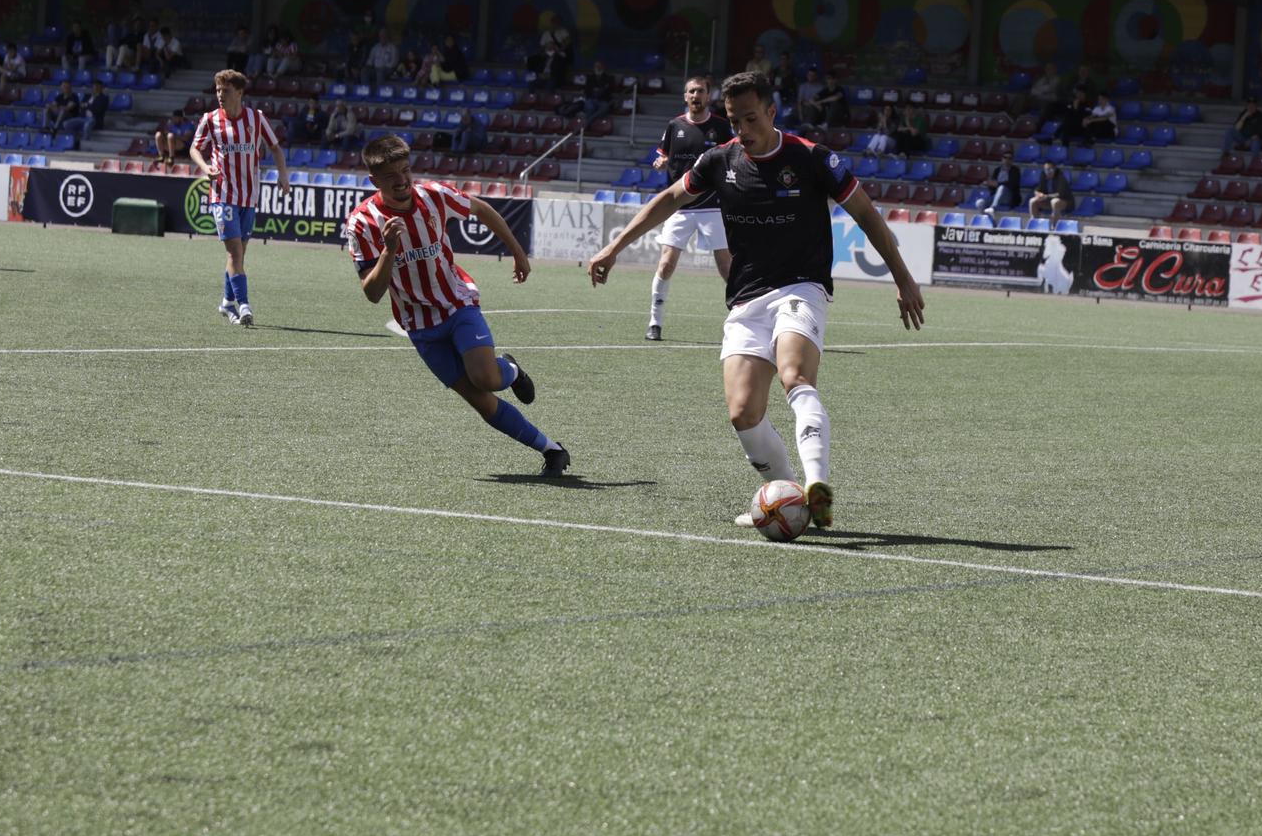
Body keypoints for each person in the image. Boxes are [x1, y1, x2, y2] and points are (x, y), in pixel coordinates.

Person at [589, 71, 926, 532]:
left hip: (801, 286)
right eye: (733, 121)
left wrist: (903, 278)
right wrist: (614, 247)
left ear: (771, 112)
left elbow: (866, 213)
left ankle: (817, 485)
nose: (741, 130)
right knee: (743, 411)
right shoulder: (718, 160)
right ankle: (789, 500)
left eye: (750, 119)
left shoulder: (812, 159)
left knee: (795, 375)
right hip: (746, 297)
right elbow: (669, 198)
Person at [345, 133, 570, 478]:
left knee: (487, 378)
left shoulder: (434, 196)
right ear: (374, 180)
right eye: (392, 177)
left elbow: (482, 208)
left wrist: (517, 251)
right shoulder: (362, 223)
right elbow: (372, 293)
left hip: (457, 304)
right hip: (420, 327)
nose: (403, 180)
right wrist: (389, 250)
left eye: (406, 171)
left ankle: (510, 370)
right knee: (479, 401)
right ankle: (551, 449)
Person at [188, 69, 293, 327]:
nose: (220, 95)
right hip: (222, 195)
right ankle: (244, 305)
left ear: (239, 92)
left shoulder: (256, 119)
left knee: (239, 255)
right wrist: (205, 167)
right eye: (217, 90)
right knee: (235, 252)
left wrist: (283, 175)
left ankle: (226, 302)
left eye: (225, 90)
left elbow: (275, 148)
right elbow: (194, 148)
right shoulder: (210, 120)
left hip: (249, 197)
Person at [645, 75, 734, 341]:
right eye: (691, 91)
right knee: (666, 263)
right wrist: (661, 162)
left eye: (701, 91)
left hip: (713, 207)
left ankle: (742, 320)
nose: (696, 95)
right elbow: (663, 154)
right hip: (680, 208)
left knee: (727, 268)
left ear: (709, 96)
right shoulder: (675, 126)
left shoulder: (720, 126)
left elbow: (734, 155)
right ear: (686, 97)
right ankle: (654, 322)